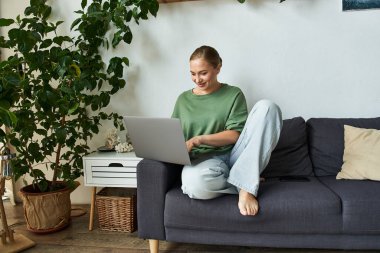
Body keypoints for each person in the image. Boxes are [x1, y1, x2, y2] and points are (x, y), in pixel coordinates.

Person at [172, 45, 283, 216]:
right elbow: (174, 135)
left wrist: (198, 139)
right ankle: (245, 179)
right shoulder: (183, 99)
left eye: (203, 73)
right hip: (204, 163)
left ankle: (246, 189)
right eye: (192, 74)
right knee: (194, 186)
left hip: (235, 156)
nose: (197, 79)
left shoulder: (233, 94)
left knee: (268, 107)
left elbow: (234, 135)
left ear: (218, 67)